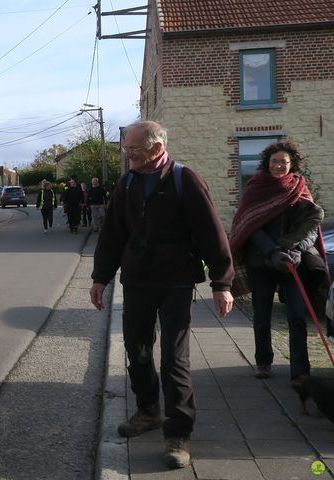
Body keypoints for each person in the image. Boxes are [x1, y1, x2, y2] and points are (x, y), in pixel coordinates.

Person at [89, 121, 234, 469]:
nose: (128, 154)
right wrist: (100, 278)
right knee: (136, 351)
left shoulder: (185, 179)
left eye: (134, 150)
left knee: (174, 358)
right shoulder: (126, 184)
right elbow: (112, 235)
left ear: (156, 149)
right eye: (126, 149)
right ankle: (149, 410)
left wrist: (222, 283)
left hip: (176, 281)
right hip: (137, 279)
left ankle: (178, 433)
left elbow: (212, 233)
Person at [229, 141, 326, 386]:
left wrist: (295, 249)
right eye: (274, 161)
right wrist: (272, 251)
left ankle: (300, 370)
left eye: (283, 161)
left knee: (296, 316)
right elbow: (250, 225)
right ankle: (263, 361)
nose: (279, 165)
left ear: (292, 164)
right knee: (262, 314)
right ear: (267, 163)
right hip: (261, 262)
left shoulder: (300, 188)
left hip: (293, 262)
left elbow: (311, 226)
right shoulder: (256, 188)